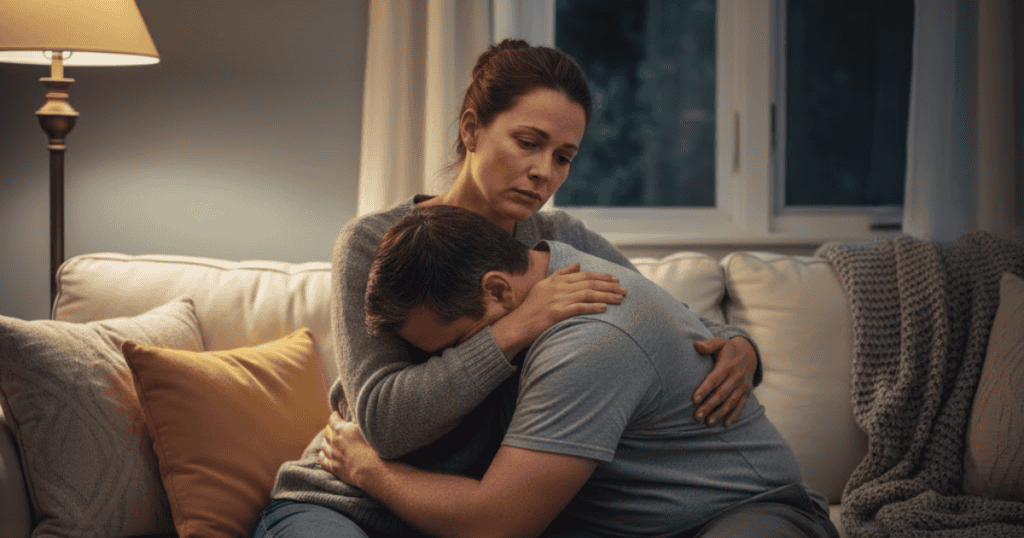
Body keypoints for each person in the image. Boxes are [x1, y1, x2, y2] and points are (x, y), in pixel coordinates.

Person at [256, 40, 762, 537]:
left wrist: (740, 347)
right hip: (345, 500)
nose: (544, 172)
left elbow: (681, 323)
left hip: (461, 515)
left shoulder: (564, 240)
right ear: (472, 128)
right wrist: (518, 325)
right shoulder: (373, 242)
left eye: (563, 157)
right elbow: (384, 422)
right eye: (528, 143)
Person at [319, 205, 839, 538]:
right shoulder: (549, 265)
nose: (448, 365)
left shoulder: (589, 337)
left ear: (498, 290)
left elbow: (496, 523)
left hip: (745, 512)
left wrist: (366, 467)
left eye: (455, 345)